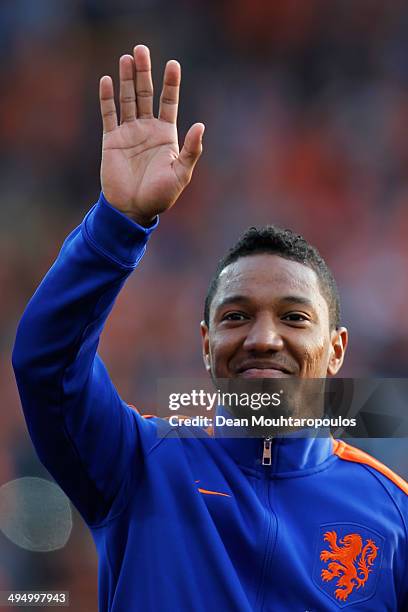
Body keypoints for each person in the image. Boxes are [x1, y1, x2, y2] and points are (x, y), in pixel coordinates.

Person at [12, 45, 407, 611]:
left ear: (337, 349)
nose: (263, 338)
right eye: (236, 316)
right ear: (205, 344)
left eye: (294, 317)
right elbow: (45, 362)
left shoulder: (392, 515)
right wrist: (118, 224)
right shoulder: (138, 464)